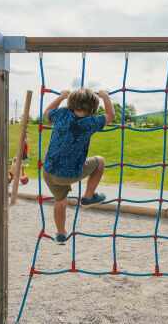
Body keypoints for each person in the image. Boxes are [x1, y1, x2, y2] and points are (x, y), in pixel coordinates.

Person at [43, 88, 114, 245]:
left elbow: (47, 112)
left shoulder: (62, 113)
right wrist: (106, 97)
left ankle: (61, 235)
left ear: (70, 103)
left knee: (60, 202)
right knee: (100, 161)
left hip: (48, 171)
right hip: (69, 174)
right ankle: (88, 197)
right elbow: (111, 116)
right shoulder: (90, 122)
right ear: (93, 109)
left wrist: (61, 96)